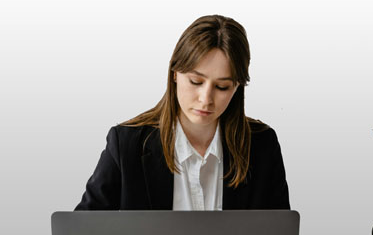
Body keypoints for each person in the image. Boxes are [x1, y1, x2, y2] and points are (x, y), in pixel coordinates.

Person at [75, 15, 290, 211]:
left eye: (222, 87)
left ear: (237, 87)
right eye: (196, 81)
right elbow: (82, 231)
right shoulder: (125, 145)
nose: (206, 99)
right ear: (175, 74)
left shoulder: (263, 146)